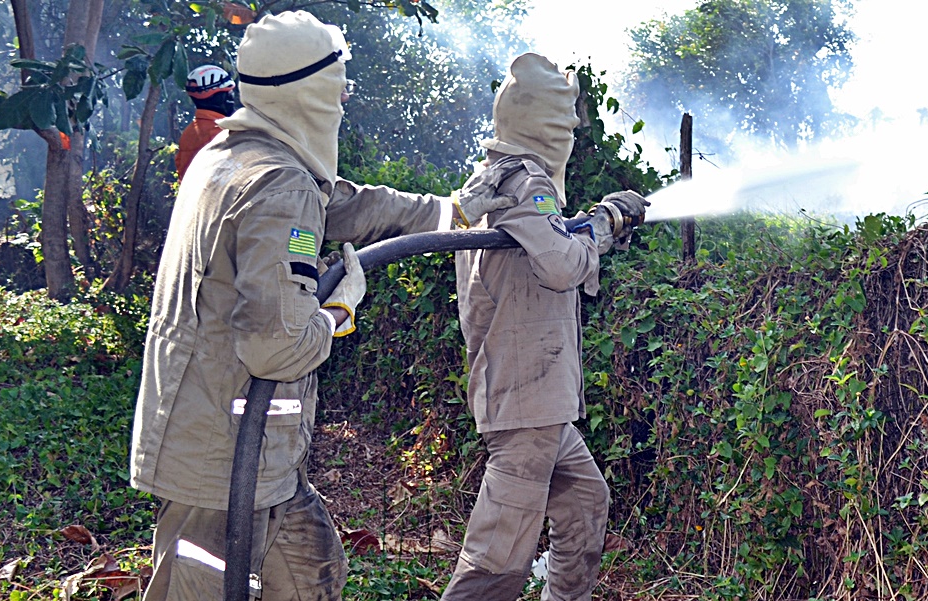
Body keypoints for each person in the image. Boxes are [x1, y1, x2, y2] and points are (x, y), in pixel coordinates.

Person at [129, 12, 516, 600]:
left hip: (252, 454)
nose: (344, 101)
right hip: (221, 458)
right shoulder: (278, 185)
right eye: (339, 87)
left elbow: (347, 205)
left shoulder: (239, 156)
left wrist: (451, 211)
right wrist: (338, 310)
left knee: (313, 572)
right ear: (309, 91)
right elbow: (277, 345)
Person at [438, 53, 648, 601]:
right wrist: (601, 224)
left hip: (538, 400)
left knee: (584, 503)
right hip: (528, 400)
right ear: (548, 124)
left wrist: (586, 227)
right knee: (498, 560)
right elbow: (560, 266)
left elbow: (544, 244)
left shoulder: (493, 179)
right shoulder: (527, 180)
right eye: (567, 121)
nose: (572, 134)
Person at [174, 64, 240, 182]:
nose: (232, 99)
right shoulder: (221, 132)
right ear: (220, 98)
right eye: (229, 93)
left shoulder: (188, 133)